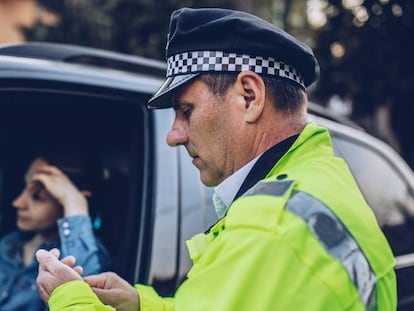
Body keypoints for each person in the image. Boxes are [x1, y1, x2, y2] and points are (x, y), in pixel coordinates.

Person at [36, 7, 397, 311]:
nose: (173, 135)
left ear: (249, 96)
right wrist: (141, 304)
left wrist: (70, 299)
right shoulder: (318, 185)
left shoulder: (271, 227)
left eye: (186, 110)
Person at [0, 146, 111, 310]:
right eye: (24, 186)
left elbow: (84, 300)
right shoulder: (10, 243)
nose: (18, 203)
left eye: (38, 197)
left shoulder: (87, 256)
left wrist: (74, 202)